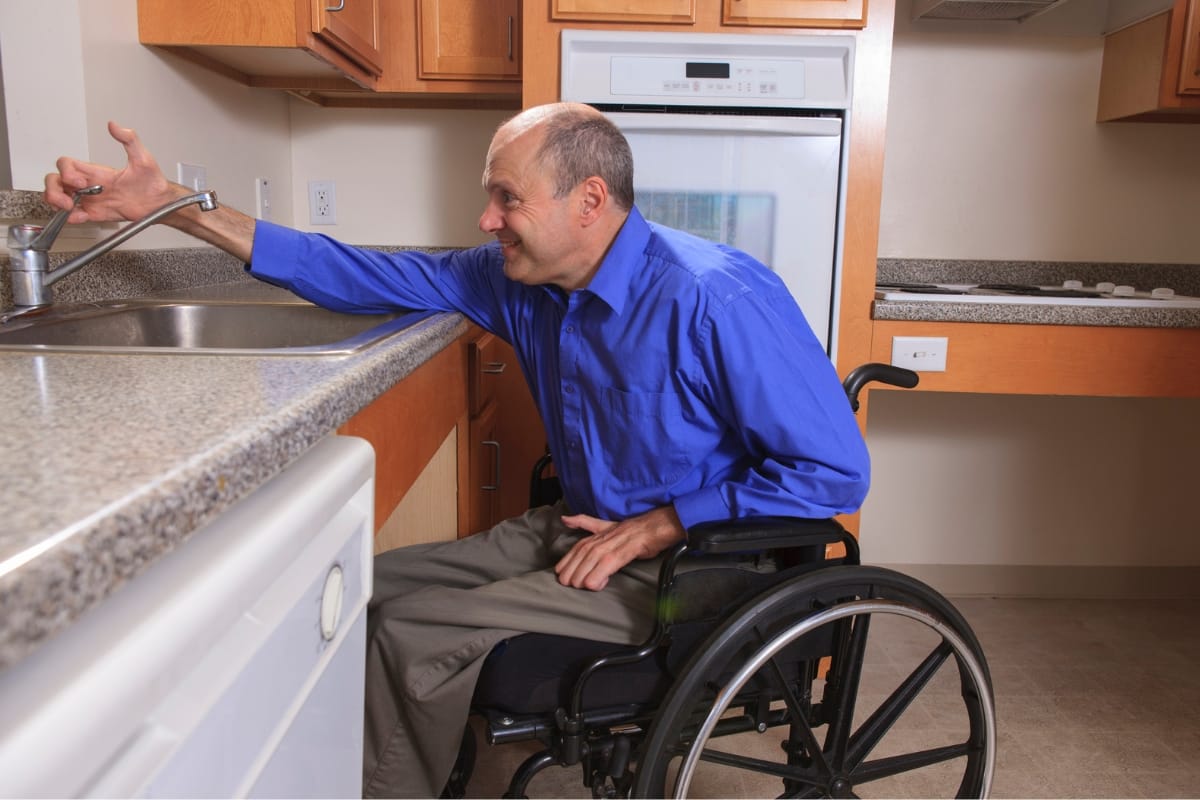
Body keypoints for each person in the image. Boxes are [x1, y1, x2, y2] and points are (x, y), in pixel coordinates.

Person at [46, 102, 871, 797]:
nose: (485, 220)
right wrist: (179, 208)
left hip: (696, 566)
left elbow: (835, 471)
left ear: (589, 200)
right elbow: (354, 272)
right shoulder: (520, 281)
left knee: (415, 631)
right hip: (582, 527)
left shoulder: (712, 295)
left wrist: (661, 524)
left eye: (506, 198)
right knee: (351, 589)